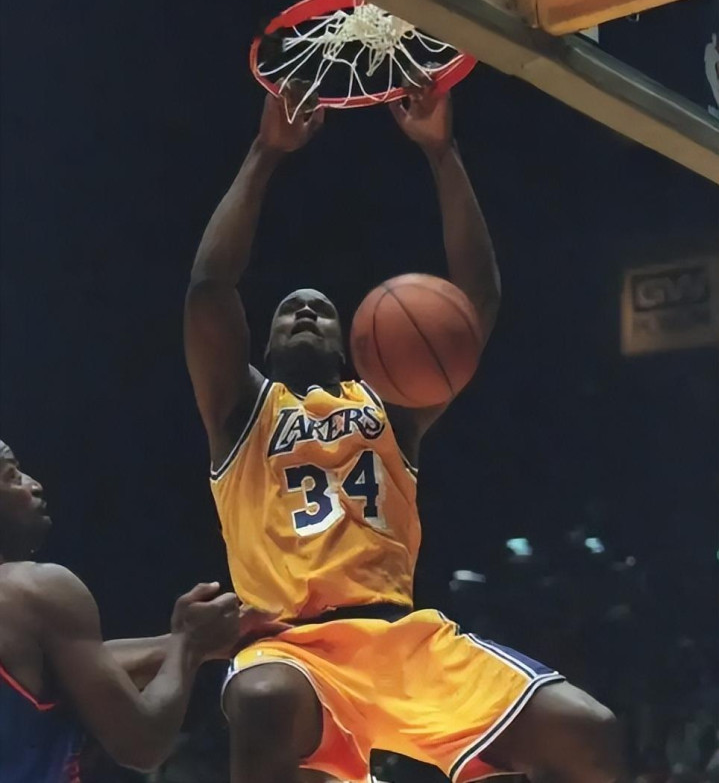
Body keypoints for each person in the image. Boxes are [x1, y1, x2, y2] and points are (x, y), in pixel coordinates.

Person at [184, 83, 629, 783]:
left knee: (589, 733)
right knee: (262, 696)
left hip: (403, 636)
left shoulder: (391, 405)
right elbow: (210, 287)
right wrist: (265, 153)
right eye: (291, 309)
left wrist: (441, 153)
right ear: (263, 346)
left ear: (351, 344)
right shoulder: (242, 410)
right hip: (294, 649)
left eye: (321, 309)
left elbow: (475, 302)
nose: (306, 311)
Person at [0, 438, 279, 782]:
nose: (34, 485)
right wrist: (187, 647)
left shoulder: (25, 620)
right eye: (12, 476)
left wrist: (187, 643)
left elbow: (75, 667)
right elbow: (143, 745)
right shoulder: (32, 591)